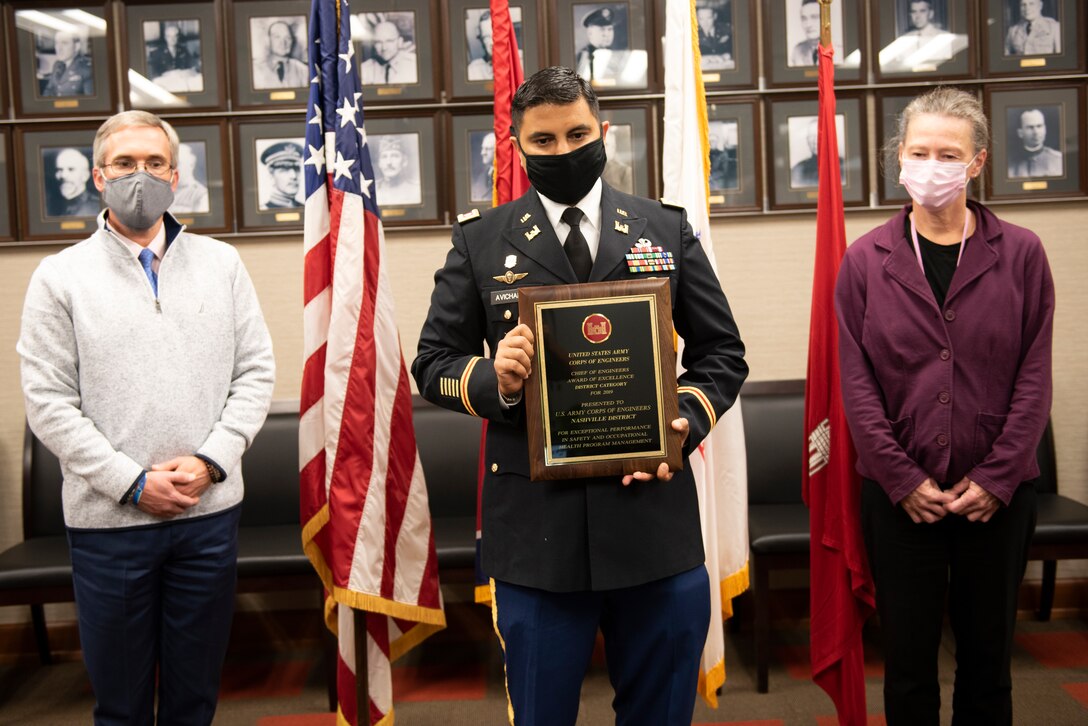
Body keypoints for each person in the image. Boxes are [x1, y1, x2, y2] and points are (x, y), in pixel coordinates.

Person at [412, 66, 747, 725]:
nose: (563, 152)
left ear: (604, 132)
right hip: (537, 538)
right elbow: (432, 364)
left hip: (653, 524)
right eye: (543, 141)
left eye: (577, 134)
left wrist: (683, 417)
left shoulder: (664, 228)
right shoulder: (481, 242)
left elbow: (722, 353)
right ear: (516, 147)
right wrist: (493, 379)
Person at [18, 110, 275, 726]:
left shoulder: (222, 264)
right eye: (126, 164)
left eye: (155, 164)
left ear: (176, 176)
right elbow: (48, 403)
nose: (142, 176)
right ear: (99, 178)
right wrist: (132, 484)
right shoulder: (60, 277)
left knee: (194, 699)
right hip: (111, 525)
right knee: (122, 705)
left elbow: (255, 374)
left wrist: (211, 461)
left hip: (206, 514)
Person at [836, 87, 1053, 725]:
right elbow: (857, 383)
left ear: (977, 162)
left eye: (948, 154)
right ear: (899, 157)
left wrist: (997, 476)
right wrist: (901, 479)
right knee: (907, 665)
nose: (932, 165)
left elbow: (1033, 378)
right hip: (901, 498)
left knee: (988, 665)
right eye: (919, 151)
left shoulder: (1022, 254)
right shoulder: (865, 260)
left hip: (1000, 495)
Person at [575, 7, 626, 83]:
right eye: (602, 29)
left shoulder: (619, 54)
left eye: (609, 29)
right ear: (590, 33)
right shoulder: (581, 56)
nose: (606, 34)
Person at [359, 19, 418, 85]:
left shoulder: (414, 64)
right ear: (373, 44)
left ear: (400, 41)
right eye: (378, 42)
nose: (384, 48)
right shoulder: (364, 69)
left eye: (389, 41)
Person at [252, 20, 308, 89]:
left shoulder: (303, 70)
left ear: (292, 41)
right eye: (277, 37)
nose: (283, 43)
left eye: (288, 38)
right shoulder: (255, 70)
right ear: (268, 40)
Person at [1009, 108, 1063, 178]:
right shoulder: (1010, 163)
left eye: (1039, 126)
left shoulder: (1059, 160)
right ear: (1020, 133)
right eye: (1030, 127)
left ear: (1045, 129)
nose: (1036, 132)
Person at [48, 147, 99, 217]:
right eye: (59, 170)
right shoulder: (50, 207)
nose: (63, 175)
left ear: (85, 176)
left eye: (71, 169)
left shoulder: (97, 208)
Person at [42, 30, 94, 97]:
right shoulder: (57, 65)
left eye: (64, 43)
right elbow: (49, 90)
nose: (58, 48)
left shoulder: (86, 68)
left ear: (77, 46)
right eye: (56, 43)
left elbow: (90, 102)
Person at [374, 135, 420, 206]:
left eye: (394, 156)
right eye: (384, 157)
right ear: (379, 163)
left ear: (405, 161)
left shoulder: (416, 190)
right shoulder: (372, 190)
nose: (389, 162)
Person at [259, 141, 303, 209]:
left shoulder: (308, 209)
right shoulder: (264, 209)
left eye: (297, 169)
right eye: (285, 169)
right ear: (271, 174)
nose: (294, 176)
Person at [171, 142, 210, 214]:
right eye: (173, 164)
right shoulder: (165, 193)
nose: (174, 169)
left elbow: (201, 222)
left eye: (179, 164)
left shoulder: (202, 195)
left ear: (191, 165)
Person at [697, 4, 734, 70]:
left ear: (715, 16)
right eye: (701, 19)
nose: (705, 22)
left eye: (709, 18)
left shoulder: (726, 30)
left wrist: (728, 55)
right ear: (697, 18)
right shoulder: (693, 33)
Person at [788, 0, 821, 66]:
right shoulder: (797, 51)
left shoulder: (839, 51)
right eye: (804, 18)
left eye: (814, 17)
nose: (808, 24)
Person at [466, 10, 494, 81]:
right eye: (487, 37)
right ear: (481, 40)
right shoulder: (473, 70)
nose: (492, 42)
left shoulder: (520, 61)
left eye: (496, 36)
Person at [708, 125, 737, 191]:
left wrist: (711, 177)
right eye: (710, 141)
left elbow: (724, 170)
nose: (712, 143)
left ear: (717, 142)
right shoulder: (704, 155)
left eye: (714, 141)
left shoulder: (722, 154)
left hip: (718, 181)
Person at [470, 131, 496, 202]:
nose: (482, 153)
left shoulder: (506, 177)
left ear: (497, 150)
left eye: (487, 149)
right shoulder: (480, 177)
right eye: (482, 148)